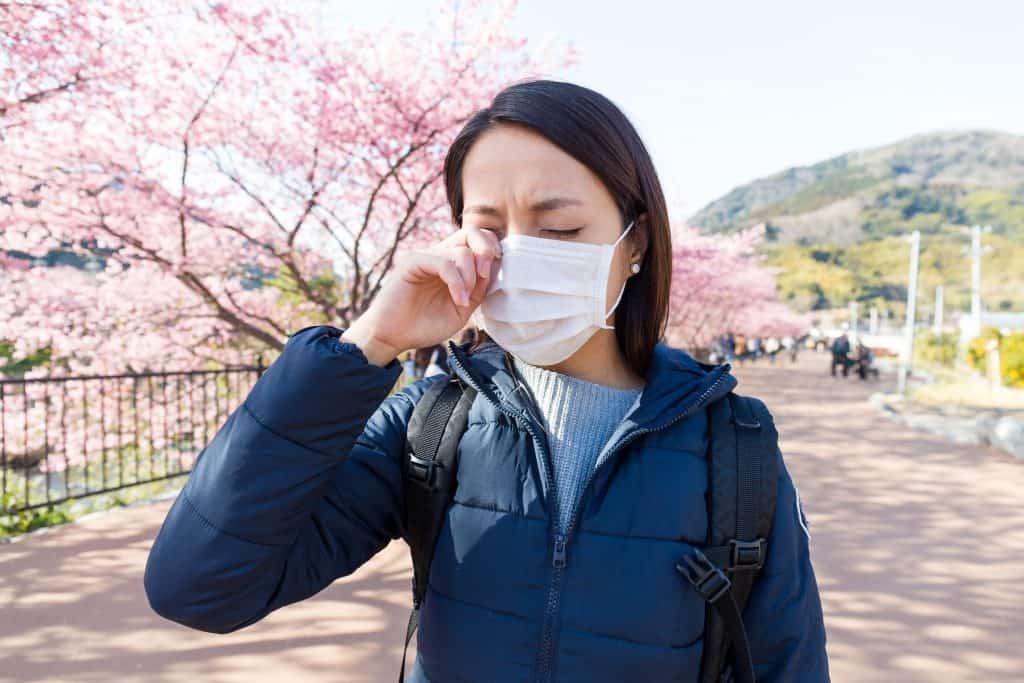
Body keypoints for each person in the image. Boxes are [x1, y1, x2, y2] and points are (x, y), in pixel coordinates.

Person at [144, 80, 829, 683]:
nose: (521, 254)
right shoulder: (430, 425)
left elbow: (786, 662)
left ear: (637, 243)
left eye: (559, 228)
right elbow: (198, 586)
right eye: (490, 230)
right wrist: (367, 343)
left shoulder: (734, 447)